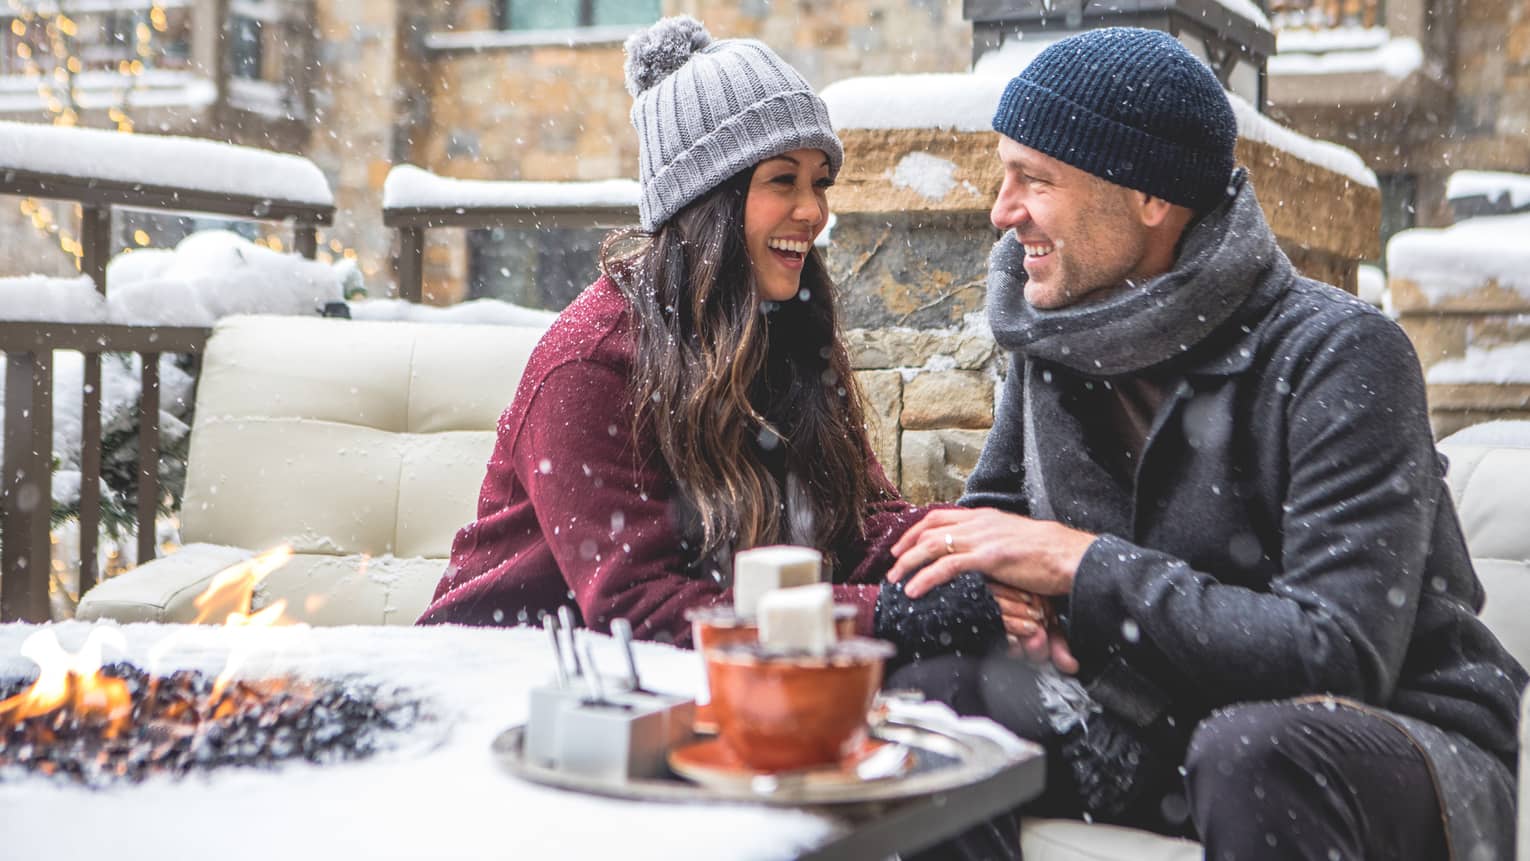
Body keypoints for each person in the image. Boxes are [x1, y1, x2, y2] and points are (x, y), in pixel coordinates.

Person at [883, 27, 1527, 860]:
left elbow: (1337, 651)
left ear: (1151, 196)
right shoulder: (1050, 342)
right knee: (935, 705)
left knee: (1252, 752)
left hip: (1394, 741)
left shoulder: (1340, 355)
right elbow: (984, 540)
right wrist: (990, 603)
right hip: (1151, 720)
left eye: (1034, 180)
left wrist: (1083, 567)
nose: (1001, 211)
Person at [417, 17, 975, 649]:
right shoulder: (591, 364)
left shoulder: (787, 329)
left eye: (820, 182)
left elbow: (862, 526)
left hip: (689, 683)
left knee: (965, 671)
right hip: (511, 679)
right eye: (782, 180)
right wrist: (889, 615)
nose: (814, 210)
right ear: (708, 201)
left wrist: (984, 556)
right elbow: (641, 608)